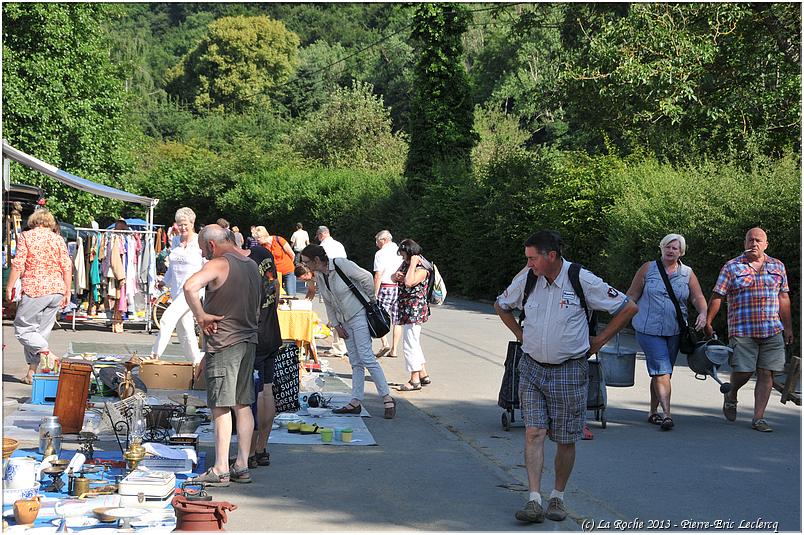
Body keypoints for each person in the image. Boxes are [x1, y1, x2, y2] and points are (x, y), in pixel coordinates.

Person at [494, 230, 637, 523]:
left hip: (569, 370)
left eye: (533, 258)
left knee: (565, 439)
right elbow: (501, 305)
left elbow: (627, 307)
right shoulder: (528, 279)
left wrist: (599, 341)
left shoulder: (581, 279)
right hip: (531, 367)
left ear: (552, 256)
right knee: (533, 431)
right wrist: (521, 336)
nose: (529, 264)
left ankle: (557, 497)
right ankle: (534, 499)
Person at [184, 224, 261, 486]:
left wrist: (201, 315)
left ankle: (220, 468)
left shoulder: (219, 263)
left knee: (220, 406)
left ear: (212, 245)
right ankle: (241, 465)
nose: (204, 255)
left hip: (224, 343)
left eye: (204, 250)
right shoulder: (250, 264)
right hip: (248, 340)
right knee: (243, 404)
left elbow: (189, 286)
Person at [704, 227, 793, 433]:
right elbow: (718, 295)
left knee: (766, 372)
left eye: (758, 240)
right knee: (743, 371)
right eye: (750, 240)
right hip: (742, 329)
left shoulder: (778, 266)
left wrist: (787, 327)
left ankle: (759, 418)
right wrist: (708, 321)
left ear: (766, 244)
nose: (754, 243)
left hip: (772, 329)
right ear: (745, 243)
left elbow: (784, 298)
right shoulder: (732, 267)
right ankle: (731, 393)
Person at [299, 244, 396, 419]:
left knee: (366, 357)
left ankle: (387, 398)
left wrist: (371, 301)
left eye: (306, 262)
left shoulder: (341, 264)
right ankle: (356, 401)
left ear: (317, 260)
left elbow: (366, 277)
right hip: (344, 320)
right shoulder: (320, 276)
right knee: (355, 361)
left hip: (359, 314)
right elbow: (328, 302)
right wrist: (336, 325)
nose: (305, 265)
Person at [626, 234, 707, 431]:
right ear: (662, 248)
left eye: (675, 248)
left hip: (675, 329)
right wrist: (620, 312)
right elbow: (632, 294)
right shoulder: (648, 268)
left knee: (663, 372)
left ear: (681, 252)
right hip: (648, 328)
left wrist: (703, 313)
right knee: (661, 369)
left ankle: (653, 412)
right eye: (668, 247)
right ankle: (667, 415)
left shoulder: (687, 273)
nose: (671, 251)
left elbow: (698, 297)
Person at [5, 208, 71, 384]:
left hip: (36, 288)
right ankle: (31, 373)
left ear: (33, 221)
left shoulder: (27, 236)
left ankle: (48, 354)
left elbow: (18, 264)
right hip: (56, 289)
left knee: (23, 330)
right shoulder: (58, 239)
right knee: (40, 333)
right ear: (50, 222)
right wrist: (67, 291)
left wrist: (9, 286)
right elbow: (67, 266)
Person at [244, 240, 283, 468]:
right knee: (267, 389)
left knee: (255, 393)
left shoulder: (246, 263)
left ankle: (249, 452)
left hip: (256, 334)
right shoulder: (264, 253)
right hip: (271, 329)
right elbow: (275, 290)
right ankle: (262, 448)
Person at [150, 207, 204, 363]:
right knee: (184, 329)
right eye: (179, 224)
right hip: (176, 290)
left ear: (192, 223)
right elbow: (172, 267)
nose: (182, 228)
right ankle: (196, 362)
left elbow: (206, 266)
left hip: (193, 290)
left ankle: (154, 355)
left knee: (167, 319)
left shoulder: (199, 241)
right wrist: (164, 282)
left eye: (185, 224)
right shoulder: (175, 241)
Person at [392, 239, 433, 391]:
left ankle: (414, 379)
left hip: (415, 309)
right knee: (413, 342)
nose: (402, 258)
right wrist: (396, 276)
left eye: (403, 254)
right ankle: (423, 374)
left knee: (410, 343)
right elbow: (394, 278)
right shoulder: (406, 264)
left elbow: (409, 282)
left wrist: (414, 264)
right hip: (406, 308)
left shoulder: (422, 267)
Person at [314, 226, 348, 357]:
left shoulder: (322, 247)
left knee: (334, 313)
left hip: (329, 280)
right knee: (341, 313)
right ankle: (342, 345)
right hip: (342, 281)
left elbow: (320, 266)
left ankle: (339, 347)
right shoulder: (339, 245)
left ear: (321, 235)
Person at [373, 230, 403, 359]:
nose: (376, 243)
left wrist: (374, 292)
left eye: (377, 240)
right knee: (397, 319)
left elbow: (378, 274)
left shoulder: (380, 253)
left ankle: (385, 343)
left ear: (384, 240)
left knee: (378, 316)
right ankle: (394, 349)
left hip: (385, 287)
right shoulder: (400, 251)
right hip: (398, 287)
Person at [252, 226, 297, 296]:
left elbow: (292, 255)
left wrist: (288, 265)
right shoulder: (262, 247)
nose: (257, 242)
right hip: (275, 275)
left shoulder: (279, 240)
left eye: (257, 240)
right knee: (275, 296)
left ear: (263, 236)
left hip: (288, 272)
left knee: (291, 295)